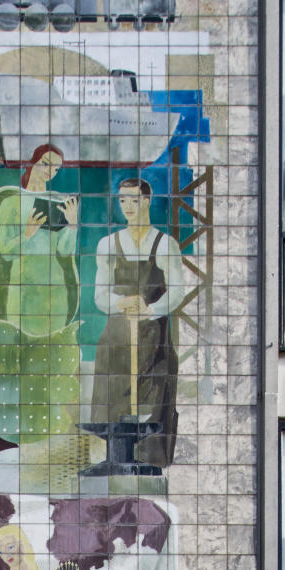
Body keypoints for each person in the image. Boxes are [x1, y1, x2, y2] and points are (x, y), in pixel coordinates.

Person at [0, 144, 81, 444]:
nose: (50, 171)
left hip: (53, 289)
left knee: (48, 355)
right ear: (33, 162)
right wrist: (27, 232)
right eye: (45, 163)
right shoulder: (11, 201)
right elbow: (4, 250)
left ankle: (48, 431)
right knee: (19, 353)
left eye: (56, 167)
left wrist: (72, 225)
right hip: (23, 288)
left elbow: (65, 251)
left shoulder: (57, 201)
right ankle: (10, 432)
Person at [88, 176, 188, 473]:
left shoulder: (164, 244)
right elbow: (99, 295)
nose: (128, 206)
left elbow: (177, 291)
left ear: (147, 200)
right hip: (118, 337)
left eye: (134, 199)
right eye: (122, 200)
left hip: (154, 338)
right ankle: (115, 462)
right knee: (115, 398)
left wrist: (151, 309)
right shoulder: (109, 244)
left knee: (154, 398)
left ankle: (149, 465)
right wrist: (120, 303)